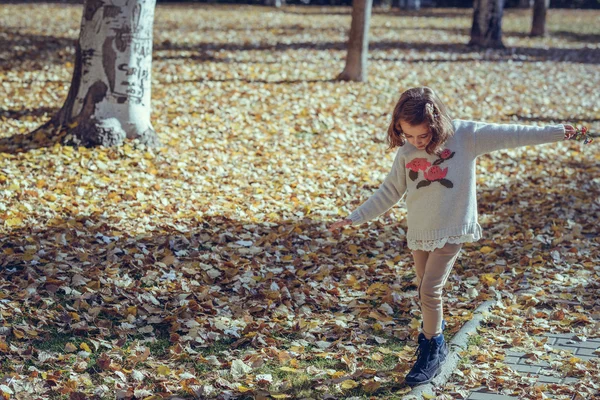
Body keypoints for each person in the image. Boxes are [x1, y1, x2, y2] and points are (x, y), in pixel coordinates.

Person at [328, 86, 576, 387]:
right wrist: (353, 218)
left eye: (423, 136)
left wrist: (557, 132)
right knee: (423, 288)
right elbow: (389, 192)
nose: (417, 142)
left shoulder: (466, 135)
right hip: (421, 231)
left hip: (452, 227)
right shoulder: (407, 153)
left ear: (437, 123)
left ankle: (432, 348)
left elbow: (513, 133)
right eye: (409, 135)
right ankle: (436, 336)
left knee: (429, 290)